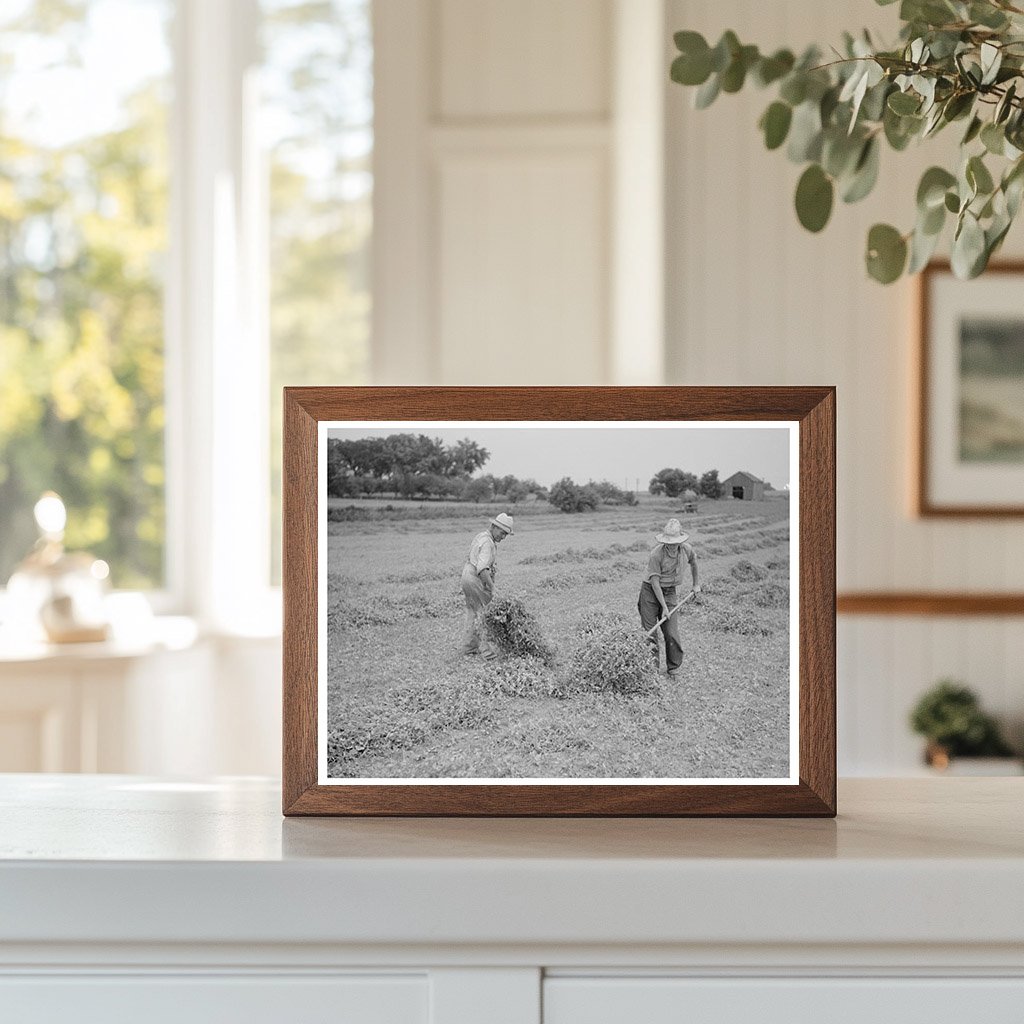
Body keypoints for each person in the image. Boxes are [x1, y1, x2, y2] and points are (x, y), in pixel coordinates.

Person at [637, 518, 701, 675]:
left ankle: (673, 666)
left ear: (680, 541)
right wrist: (664, 607)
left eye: (674, 543)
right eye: (669, 543)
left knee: (671, 631)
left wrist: (696, 584)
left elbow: (694, 562)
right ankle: (651, 670)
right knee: (649, 633)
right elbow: (655, 582)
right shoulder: (656, 554)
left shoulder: (686, 549)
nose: (672, 546)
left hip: (670, 591)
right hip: (650, 592)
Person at [461, 512, 514, 656]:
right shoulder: (487, 543)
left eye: (505, 535)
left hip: (467, 575)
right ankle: (486, 651)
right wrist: (493, 588)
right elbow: (483, 569)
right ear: (494, 527)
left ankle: (469, 647)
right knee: (484, 614)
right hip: (475, 578)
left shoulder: (481, 536)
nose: (503, 538)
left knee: (473, 612)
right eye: (502, 533)